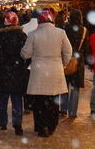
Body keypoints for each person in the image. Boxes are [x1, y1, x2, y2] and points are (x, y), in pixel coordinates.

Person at [21, 8, 72, 137]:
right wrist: (63, 64)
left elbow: (26, 53)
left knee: (39, 100)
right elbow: (68, 51)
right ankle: (52, 125)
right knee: (53, 100)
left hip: (38, 70)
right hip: (55, 69)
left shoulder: (33, 34)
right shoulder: (61, 33)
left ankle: (41, 126)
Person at [0, 10, 28, 134]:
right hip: (18, 73)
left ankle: (2, 123)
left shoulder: (0, 36)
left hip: (3, 72)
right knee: (17, 99)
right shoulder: (22, 36)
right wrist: (22, 65)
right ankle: (17, 124)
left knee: (3, 99)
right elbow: (27, 55)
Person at [63, 9, 88, 119]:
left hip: (66, 59)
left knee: (64, 86)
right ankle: (72, 112)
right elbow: (86, 47)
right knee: (75, 87)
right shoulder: (84, 30)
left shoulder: (65, 29)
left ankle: (63, 109)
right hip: (78, 60)